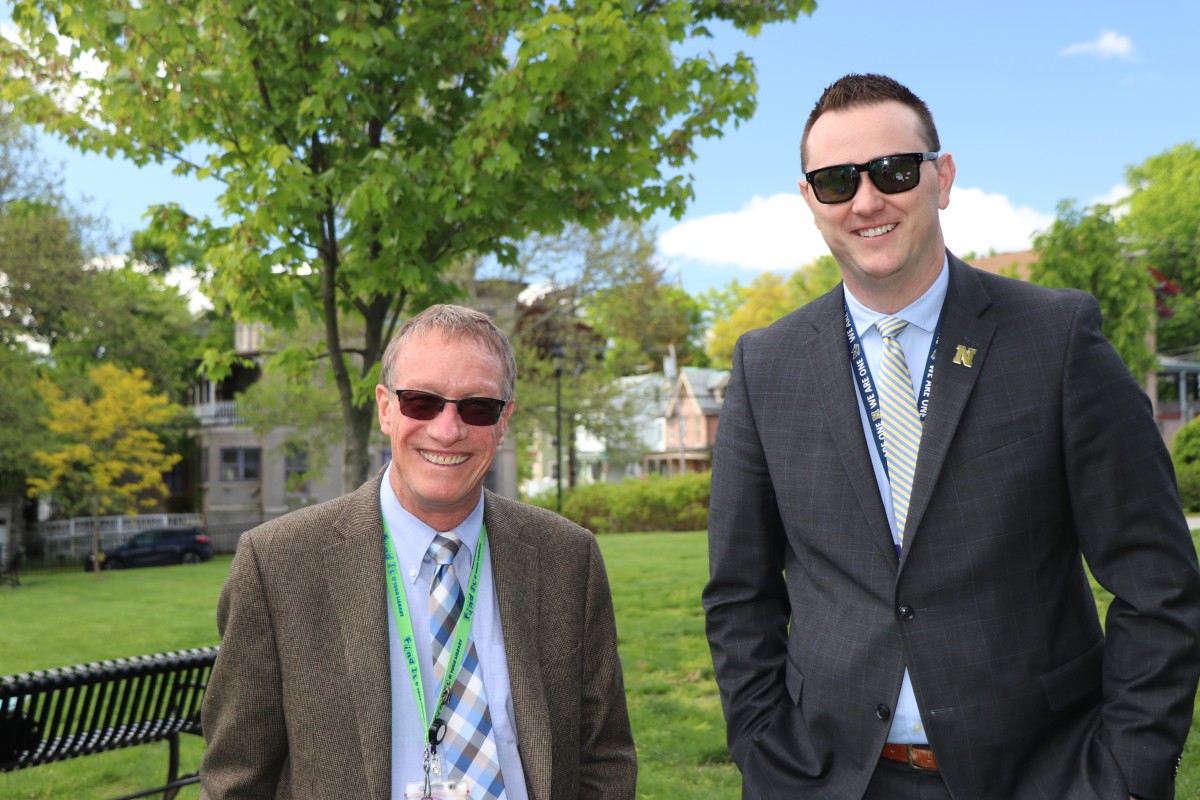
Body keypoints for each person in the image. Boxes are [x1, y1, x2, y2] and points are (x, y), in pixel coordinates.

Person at [702, 73, 1200, 800]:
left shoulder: (1056, 339)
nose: (867, 200)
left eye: (895, 170)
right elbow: (738, 598)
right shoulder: (765, 364)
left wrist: (1120, 777)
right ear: (810, 201)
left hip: (1041, 776)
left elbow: (1159, 585)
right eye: (837, 181)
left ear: (943, 176)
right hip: (831, 779)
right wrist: (767, 754)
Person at [200, 304, 637, 800]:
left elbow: (605, 759)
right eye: (422, 402)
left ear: (504, 421)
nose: (447, 430)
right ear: (386, 408)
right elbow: (236, 781)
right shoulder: (277, 565)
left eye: (476, 407)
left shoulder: (568, 558)